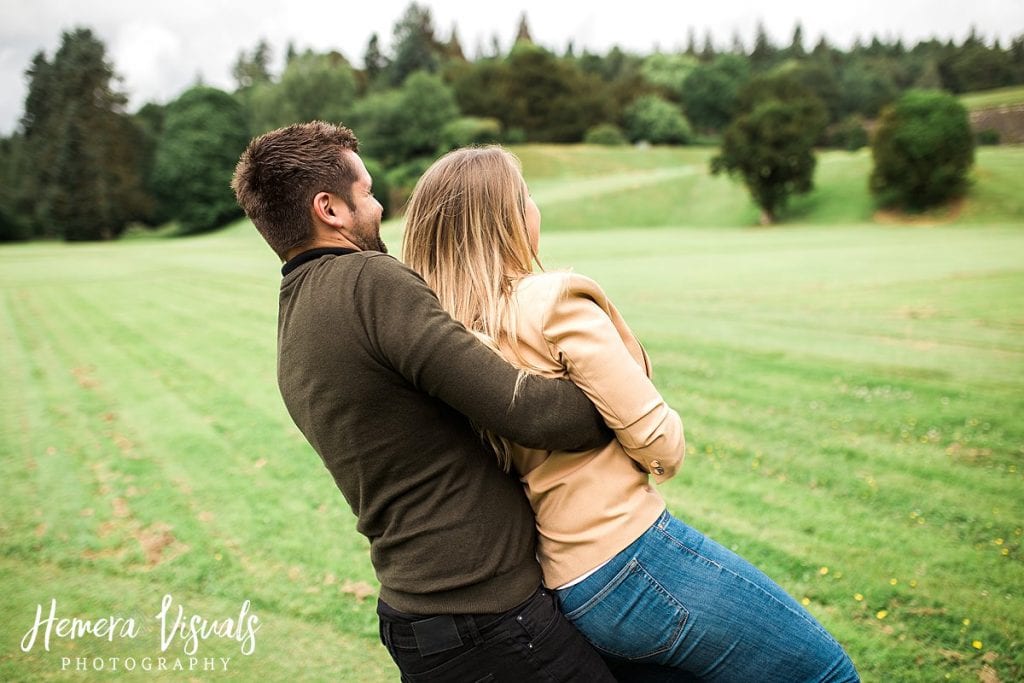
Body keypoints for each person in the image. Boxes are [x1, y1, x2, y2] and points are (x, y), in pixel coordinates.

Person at [402, 145, 861, 683]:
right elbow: (659, 443)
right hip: (635, 558)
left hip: (567, 580)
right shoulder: (554, 301)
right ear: (506, 218)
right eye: (527, 196)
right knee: (827, 672)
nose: (534, 208)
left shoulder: (452, 340)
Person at [230, 122, 617, 682]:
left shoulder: (296, 315)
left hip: (421, 620)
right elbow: (526, 410)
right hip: (487, 619)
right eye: (365, 192)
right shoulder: (368, 282)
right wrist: (616, 402)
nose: (379, 205)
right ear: (329, 208)